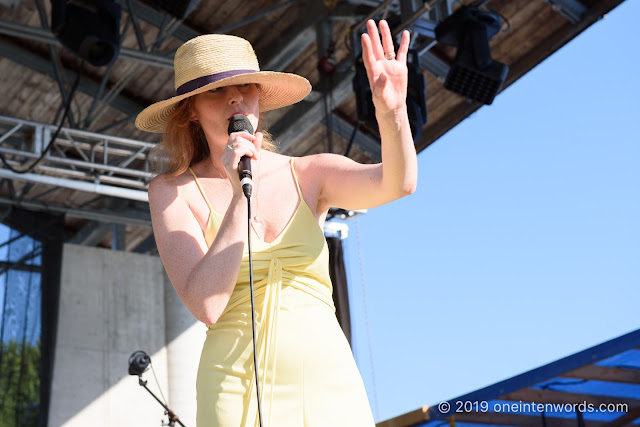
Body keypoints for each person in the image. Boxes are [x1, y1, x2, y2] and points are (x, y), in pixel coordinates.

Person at [136, 19, 417, 427]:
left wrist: (392, 111)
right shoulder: (171, 191)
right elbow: (208, 306)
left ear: (260, 100)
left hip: (326, 379)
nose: (235, 98)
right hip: (233, 386)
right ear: (191, 111)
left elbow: (399, 183)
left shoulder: (309, 173)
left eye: (246, 87)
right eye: (216, 90)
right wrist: (237, 196)